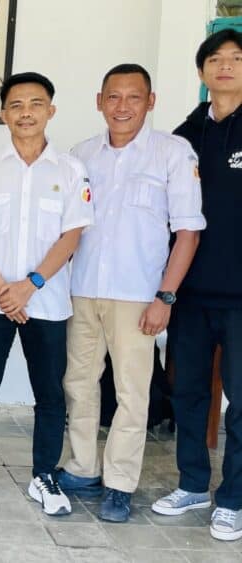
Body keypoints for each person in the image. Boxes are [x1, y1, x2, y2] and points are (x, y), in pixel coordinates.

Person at [57, 64, 204, 523]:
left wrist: (165, 297)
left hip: (138, 295)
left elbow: (188, 232)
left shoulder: (172, 153)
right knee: (79, 383)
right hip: (82, 290)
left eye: (134, 97)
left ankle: (120, 483)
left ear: (150, 102)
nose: (122, 107)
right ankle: (82, 467)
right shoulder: (81, 155)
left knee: (132, 392)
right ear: (99, 101)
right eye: (113, 97)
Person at [0, 72, 93, 516]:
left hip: (46, 303)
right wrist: (2, 289)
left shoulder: (71, 170)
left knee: (49, 393)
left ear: (51, 110)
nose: (25, 112)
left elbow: (72, 236)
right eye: (16, 105)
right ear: (3, 114)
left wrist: (29, 286)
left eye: (35, 104)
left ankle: (44, 475)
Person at [152, 28, 242, 542]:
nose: (225, 65)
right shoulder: (184, 136)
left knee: (240, 400)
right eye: (215, 58)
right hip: (189, 291)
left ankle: (233, 499)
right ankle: (191, 484)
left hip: (240, 297)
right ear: (202, 71)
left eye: (236, 58)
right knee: (186, 391)